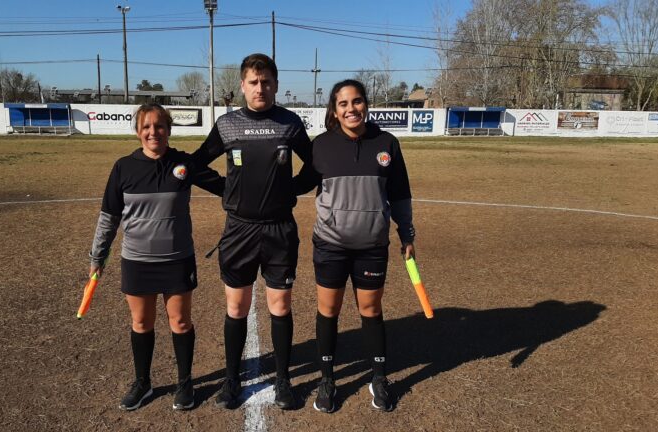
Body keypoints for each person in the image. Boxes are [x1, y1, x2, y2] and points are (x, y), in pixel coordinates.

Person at [191, 53, 313, 410]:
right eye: (254, 82)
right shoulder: (227, 124)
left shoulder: (290, 123)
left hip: (279, 230)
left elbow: (315, 165)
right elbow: (197, 163)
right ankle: (231, 379)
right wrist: (226, 189)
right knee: (236, 306)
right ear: (243, 85)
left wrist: (291, 190)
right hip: (239, 231)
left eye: (266, 82)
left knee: (280, 305)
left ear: (276, 85)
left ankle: (283, 380)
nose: (260, 88)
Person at [88, 103, 224, 412]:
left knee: (181, 321)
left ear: (169, 129)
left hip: (177, 260)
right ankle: (143, 383)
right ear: (138, 132)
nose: (153, 132)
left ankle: (185, 383)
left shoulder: (183, 164)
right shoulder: (124, 167)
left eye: (159, 126)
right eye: (146, 127)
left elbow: (224, 187)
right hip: (137, 262)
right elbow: (109, 217)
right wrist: (98, 255)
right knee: (141, 322)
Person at [294, 79, 416, 413]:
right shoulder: (322, 146)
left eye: (357, 101)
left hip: (372, 246)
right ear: (334, 110)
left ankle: (379, 377)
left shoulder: (387, 143)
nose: (352, 109)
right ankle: (327, 379)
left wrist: (407, 234)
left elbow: (400, 193)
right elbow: (300, 184)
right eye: (344, 104)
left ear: (366, 104)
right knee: (328, 311)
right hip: (330, 245)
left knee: (371, 310)